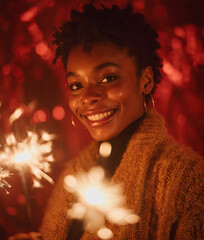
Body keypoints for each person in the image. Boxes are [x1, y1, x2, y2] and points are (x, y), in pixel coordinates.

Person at [9, 3, 203, 240]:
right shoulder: (74, 174)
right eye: (76, 85)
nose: (89, 97)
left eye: (108, 78)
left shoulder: (187, 180)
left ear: (146, 80)